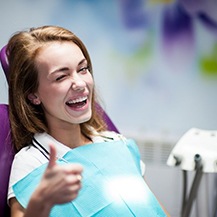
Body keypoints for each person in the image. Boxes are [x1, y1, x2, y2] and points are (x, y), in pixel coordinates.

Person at [6, 25, 170, 217]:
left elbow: (153, 209)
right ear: (33, 94)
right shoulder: (32, 162)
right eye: (61, 76)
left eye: (83, 69)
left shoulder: (115, 143)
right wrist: (38, 204)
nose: (80, 83)